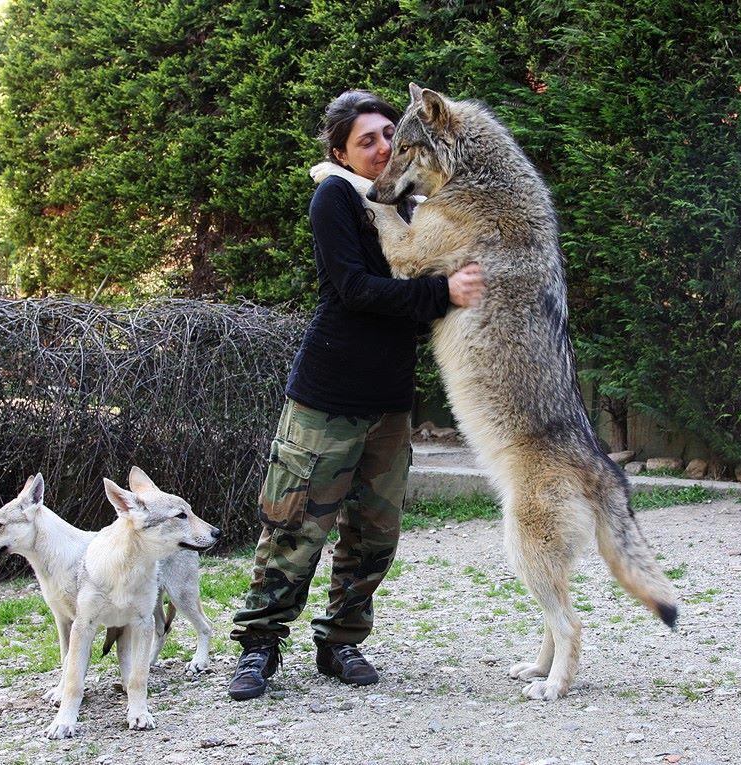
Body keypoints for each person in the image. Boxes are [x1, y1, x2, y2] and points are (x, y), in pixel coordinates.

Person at [227, 89, 485, 701]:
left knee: (374, 533)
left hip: (391, 402)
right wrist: (443, 293)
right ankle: (259, 646)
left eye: (390, 135)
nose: (383, 148)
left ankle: (341, 642)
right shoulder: (335, 197)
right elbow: (355, 290)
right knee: (294, 526)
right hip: (328, 394)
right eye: (366, 140)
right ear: (341, 151)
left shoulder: (408, 202)